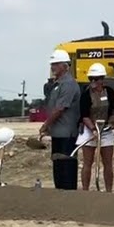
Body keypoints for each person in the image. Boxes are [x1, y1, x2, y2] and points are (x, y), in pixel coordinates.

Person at [39, 49, 81, 190]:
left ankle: (68, 198)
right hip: (58, 132)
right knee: (58, 167)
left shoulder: (68, 84)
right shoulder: (58, 84)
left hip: (67, 134)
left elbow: (60, 109)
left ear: (65, 66)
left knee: (66, 168)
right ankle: (60, 196)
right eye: (52, 64)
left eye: (56, 64)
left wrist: (46, 125)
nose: (53, 67)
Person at [77, 62, 114, 191]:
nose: (94, 81)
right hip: (90, 129)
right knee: (88, 162)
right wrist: (93, 129)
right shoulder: (85, 94)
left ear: (102, 79)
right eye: (92, 79)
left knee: (107, 163)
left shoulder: (109, 92)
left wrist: (110, 122)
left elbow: (113, 109)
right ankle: (85, 190)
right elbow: (84, 115)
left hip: (105, 129)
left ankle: (108, 191)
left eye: (98, 79)